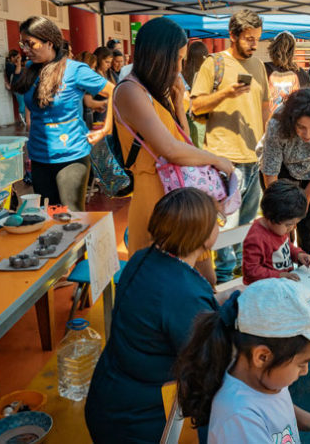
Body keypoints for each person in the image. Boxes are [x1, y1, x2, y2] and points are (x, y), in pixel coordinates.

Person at [85, 188, 235, 444]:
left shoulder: (144, 258)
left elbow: (169, 310)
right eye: (216, 221)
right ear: (203, 235)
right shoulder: (183, 295)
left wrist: (227, 297)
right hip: (137, 421)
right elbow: (211, 364)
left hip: (107, 396)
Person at [176, 278, 310, 444]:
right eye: (301, 364)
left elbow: (277, 407)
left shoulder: (266, 377)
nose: (306, 371)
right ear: (262, 357)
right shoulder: (240, 421)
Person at [113, 17, 233, 258]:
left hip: (178, 192)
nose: (180, 67)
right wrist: (217, 160)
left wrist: (178, 104)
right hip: (154, 198)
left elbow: (185, 142)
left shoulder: (154, 92)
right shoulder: (130, 91)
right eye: (177, 59)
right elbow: (170, 148)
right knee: (164, 276)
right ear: (159, 55)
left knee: (200, 273)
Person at [190, 10, 269, 282]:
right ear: (232, 35)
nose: (254, 44)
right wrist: (227, 93)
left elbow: (265, 106)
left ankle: (240, 280)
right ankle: (224, 282)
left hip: (253, 157)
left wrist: (266, 142)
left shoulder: (258, 65)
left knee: (246, 225)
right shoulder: (214, 64)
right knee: (226, 226)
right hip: (224, 160)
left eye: (257, 39)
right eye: (248, 38)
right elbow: (195, 105)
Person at [11, 16, 111, 211]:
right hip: (39, 156)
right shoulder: (31, 69)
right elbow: (34, 103)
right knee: (48, 215)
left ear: (49, 42)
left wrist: (106, 128)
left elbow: (114, 91)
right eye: (23, 44)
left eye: (31, 44)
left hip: (71, 155)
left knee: (72, 218)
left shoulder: (75, 70)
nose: (26, 50)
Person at [258, 88, 310, 254]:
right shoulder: (277, 122)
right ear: (292, 121)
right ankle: (284, 268)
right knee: (283, 227)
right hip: (280, 170)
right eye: (301, 127)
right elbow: (271, 169)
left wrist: (309, 193)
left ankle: (309, 269)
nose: (307, 135)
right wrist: (280, 209)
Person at [242, 180, 310, 285]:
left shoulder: (279, 227)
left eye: (295, 223)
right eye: (289, 224)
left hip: (283, 283)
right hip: (265, 290)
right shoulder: (256, 238)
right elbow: (251, 271)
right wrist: (279, 275)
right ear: (271, 218)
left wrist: (298, 254)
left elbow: (286, 246)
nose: (293, 227)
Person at [265, 31, 310, 112]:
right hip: (293, 121)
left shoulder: (263, 68)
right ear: (293, 51)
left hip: (268, 120)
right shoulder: (301, 73)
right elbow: (308, 102)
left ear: (273, 49)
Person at [5, 49, 28, 126]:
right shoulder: (9, 65)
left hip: (21, 86)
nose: (19, 58)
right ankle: (23, 119)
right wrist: (18, 63)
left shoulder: (15, 65)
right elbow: (17, 73)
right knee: (22, 103)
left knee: (25, 102)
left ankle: (25, 119)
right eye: (17, 57)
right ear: (12, 57)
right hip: (16, 87)